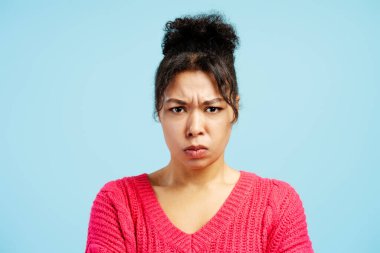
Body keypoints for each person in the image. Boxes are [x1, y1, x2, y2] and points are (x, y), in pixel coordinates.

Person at [85, 12, 314, 253]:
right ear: (159, 111)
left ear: (233, 110)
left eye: (212, 108)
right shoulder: (118, 203)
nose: (194, 128)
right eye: (178, 109)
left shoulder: (277, 203)